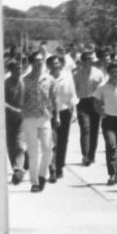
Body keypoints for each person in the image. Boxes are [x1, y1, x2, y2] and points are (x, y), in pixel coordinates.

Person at [20, 50, 59, 193]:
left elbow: (54, 99)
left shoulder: (49, 79)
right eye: (36, 60)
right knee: (33, 152)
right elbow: (20, 101)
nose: (39, 63)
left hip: (45, 117)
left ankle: (43, 175)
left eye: (41, 60)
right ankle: (35, 182)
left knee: (48, 150)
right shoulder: (24, 80)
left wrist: (58, 115)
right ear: (31, 63)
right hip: (29, 118)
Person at [47, 55, 77, 183]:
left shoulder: (67, 77)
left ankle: (59, 166)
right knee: (50, 141)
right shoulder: (45, 78)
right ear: (49, 66)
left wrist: (74, 110)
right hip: (49, 113)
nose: (55, 65)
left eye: (57, 63)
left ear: (61, 65)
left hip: (65, 111)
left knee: (62, 141)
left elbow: (72, 94)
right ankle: (52, 168)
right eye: (53, 63)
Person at [73, 48, 105, 166]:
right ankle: (85, 155)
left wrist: (103, 104)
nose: (92, 63)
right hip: (82, 102)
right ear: (84, 61)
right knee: (85, 128)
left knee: (94, 130)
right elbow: (73, 90)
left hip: (95, 102)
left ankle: (91, 155)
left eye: (93, 61)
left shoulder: (98, 73)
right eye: (90, 60)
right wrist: (74, 103)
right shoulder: (76, 74)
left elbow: (103, 89)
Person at [4, 57, 27, 184]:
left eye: (20, 69)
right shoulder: (6, 83)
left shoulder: (24, 83)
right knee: (10, 145)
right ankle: (16, 167)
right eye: (16, 69)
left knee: (19, 144)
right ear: (10, 70)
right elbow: (1, 101)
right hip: (8, 119)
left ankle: (18, 169)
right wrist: (14, 110)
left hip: (22, 119)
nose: (19, 71)